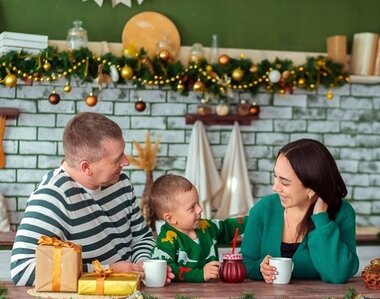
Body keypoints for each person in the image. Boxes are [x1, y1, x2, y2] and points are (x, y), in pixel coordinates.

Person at [11, 112, 174, 286]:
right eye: (117, 159)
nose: (126, 162)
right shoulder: (52, 196)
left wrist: (142, 264)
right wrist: (105, 270)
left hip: (133, 296)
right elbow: (22, 269)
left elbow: (142, 238)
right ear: (86, 167)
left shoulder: (121, 182)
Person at [241, 138, 359, 284]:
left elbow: (339, 273)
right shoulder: (264, 209)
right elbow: (245, 262)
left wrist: (321, 217)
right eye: (275, 177)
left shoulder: (342, 213)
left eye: (284, 182)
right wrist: (261, 269)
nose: (275, 187)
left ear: (311, 188)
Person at [149, 174, 247, 282]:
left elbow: (228, 227)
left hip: (215, 292)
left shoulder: (206, 226)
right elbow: (167, 269)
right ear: (171, 218)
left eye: (198, 203)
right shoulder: (166, 240)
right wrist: (201, 274)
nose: (200, 209)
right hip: (183, 296)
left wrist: (255, 218)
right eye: (192, 208)